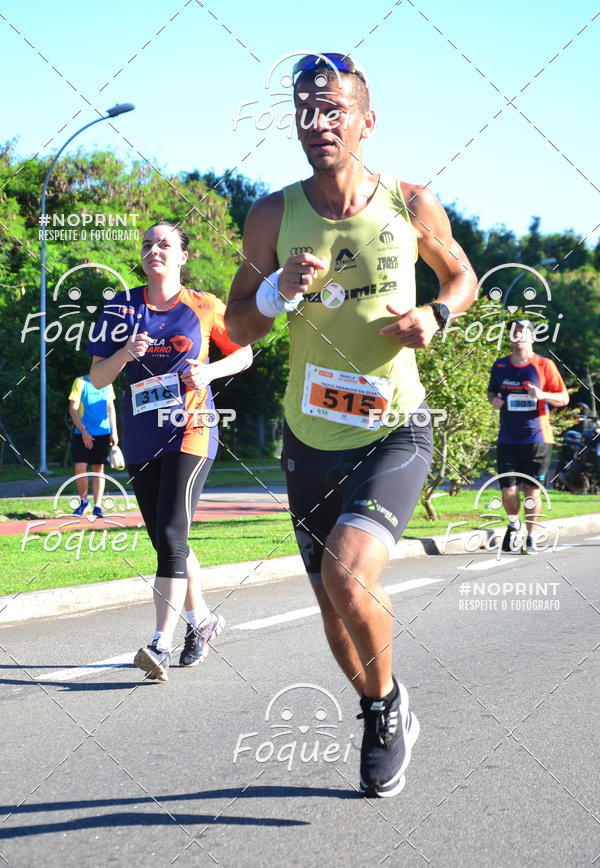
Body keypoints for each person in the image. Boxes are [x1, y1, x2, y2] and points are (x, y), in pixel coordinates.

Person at [225, 53, 476, 797]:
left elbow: (461, 276)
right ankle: (382, 701)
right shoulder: (272, 215)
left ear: (367, 120)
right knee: (334, 605)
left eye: (333, 109)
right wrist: (275, 292)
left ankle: (383, 713)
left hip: (393, 427)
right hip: (309, 438)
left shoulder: (410, 202)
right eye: (305, 110)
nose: (318, 123)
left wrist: (436, 314)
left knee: (348, 572)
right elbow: (236, 327)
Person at [88, 221, 252, 681]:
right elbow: (97, 378)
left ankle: (159, 644)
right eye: (147, 244)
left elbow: (244, 353)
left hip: (191, 430)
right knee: (166, 539)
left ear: (182, 256)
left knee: (172, 535)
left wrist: (210, 372)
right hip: (142, 437)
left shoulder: (204, 305)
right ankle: (202, 620)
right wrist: (125, 352)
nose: (154, 250)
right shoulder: (121, 308)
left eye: (164, 244)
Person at [487, 317, 569, 554]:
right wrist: (494, 400)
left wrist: (543, 395)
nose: (518, 336)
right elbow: (492, 392)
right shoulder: (500, 365)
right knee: (508, 492)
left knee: (532, 491)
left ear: (532, 337)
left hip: (537, 438)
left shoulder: (544, 365)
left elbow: (564, 398)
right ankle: (514, 525)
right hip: (508, 438)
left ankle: (531, 537)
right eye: (514, 332)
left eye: (523, 332)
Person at [68, 375, 117, 517]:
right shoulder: (80, 382)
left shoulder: (108, 383)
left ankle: (97, 506)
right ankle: (84, 502)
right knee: (80, 467)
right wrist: (84, 431)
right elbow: (73, 409)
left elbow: (111, 408)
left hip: (103, 433)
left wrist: (114, 431)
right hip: (81, 433)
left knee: (98, 468)